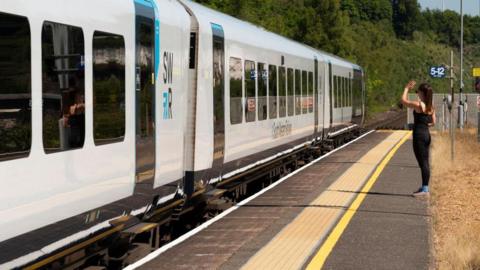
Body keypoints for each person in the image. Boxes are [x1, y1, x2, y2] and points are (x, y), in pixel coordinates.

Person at [401, 81, 436, 196]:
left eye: (418, 92)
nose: (418, 94)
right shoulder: (431, 107)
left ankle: (425, 189)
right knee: (425, 161)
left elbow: (404, 101)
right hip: (426, 135)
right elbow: (433, 122)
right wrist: (423, 123)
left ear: (422, 93)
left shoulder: (418, 105)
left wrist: (406, 88)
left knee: (423, 163)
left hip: (419, 136)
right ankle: (424, 186)